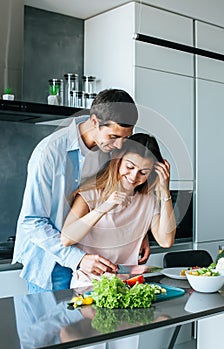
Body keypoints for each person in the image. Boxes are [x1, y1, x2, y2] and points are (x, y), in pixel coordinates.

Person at [12, 89, 150, 293]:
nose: (119, 144)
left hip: (93, 264)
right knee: (50, 325)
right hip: (52, 264)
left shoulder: (107, 151)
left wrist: (141, 232)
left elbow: (115, 196)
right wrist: (77, 259)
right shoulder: (49, 152)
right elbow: (32, 221)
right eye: (113, 136)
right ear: (94, 122)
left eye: (125, 137)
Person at [61, 133, 176, 288]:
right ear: (118, 160)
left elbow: (166, 240)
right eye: (129, 167)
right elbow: (66, 238)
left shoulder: (148, 200)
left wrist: (165, 191)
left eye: (143, 172)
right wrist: (104, 207)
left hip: (128, 285)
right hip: (87, 286)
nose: (134, 176)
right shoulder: (91, 193)